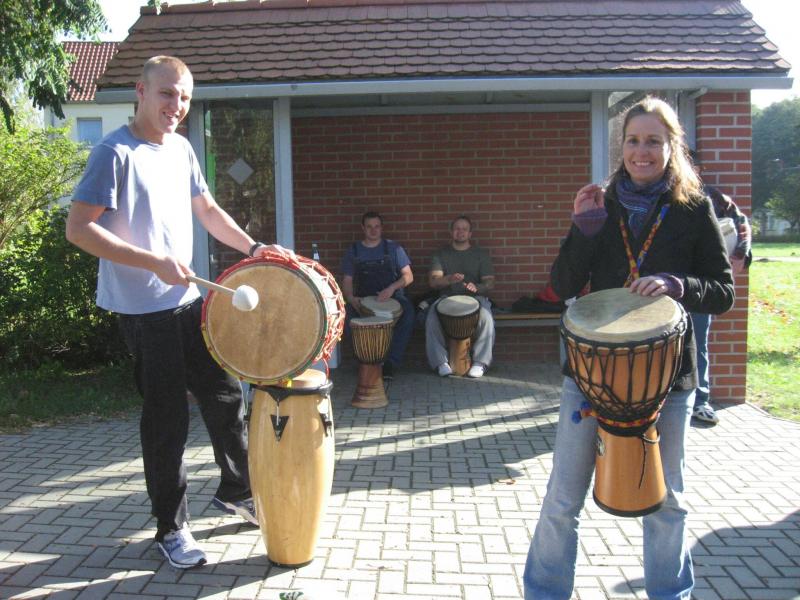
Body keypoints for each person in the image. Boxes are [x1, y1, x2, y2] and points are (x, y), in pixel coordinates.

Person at [66, 56, 288, 570]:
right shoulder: (113, 153)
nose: (177, 105)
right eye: (167, 93)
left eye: (185, 96)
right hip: (145, 313)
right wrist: (153, 263)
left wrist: (254, 248)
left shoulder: (182, 148)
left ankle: (237, 490)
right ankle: (171, 527)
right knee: (167, 421)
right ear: (141, 91)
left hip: (188, 302)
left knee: (226, 397)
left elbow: (206, 209)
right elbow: (78, 229)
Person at [523, 96, 734, 599]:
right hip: (591, 375)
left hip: (668, 379)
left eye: (654, 141)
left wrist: (679, 285)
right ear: (622, 147)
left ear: (672, 146)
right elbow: (562, 285)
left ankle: (670, 593)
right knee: (562, 498)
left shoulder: (693, 207)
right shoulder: (601, 204)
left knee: (667, 500)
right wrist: (582, 231)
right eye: (634, 140)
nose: (643, 151)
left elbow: (722, 291)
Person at [689, 151, 753, 425]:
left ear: (699, 169)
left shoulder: (714, 198)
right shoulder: (661, 196)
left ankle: (700, 401)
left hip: (702, 288)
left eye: (691, 165)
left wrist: (740, 254)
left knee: (697, 343)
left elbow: (741, 224)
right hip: (666, 285)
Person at [341, 211, 414, 378]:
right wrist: (351, 298)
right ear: (362, 228)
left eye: (377, 226)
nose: (373, 230)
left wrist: (391, 288)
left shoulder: (394, 248)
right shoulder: (354, 250)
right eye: (369, 227)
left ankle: (391, 363)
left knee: (409, 314)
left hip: (393, 297)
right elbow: (347, 280)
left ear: (382, 228)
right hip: (364, 298)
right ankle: (365, 361)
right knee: (346, 317)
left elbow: (408, 276)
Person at [425, 215, 495, 378]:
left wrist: (477, 287)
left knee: (486, 318)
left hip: (475, 299)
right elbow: (433, 282)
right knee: (431, 318)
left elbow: (490, 282)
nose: (460, 232)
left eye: (464, 229)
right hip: (447, 298)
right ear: (451, 232)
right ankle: (440, 362)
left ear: (470, 233)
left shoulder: (480, 254)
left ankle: (480, 362)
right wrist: (449, 279)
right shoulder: (440, 254)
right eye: (457, 228)